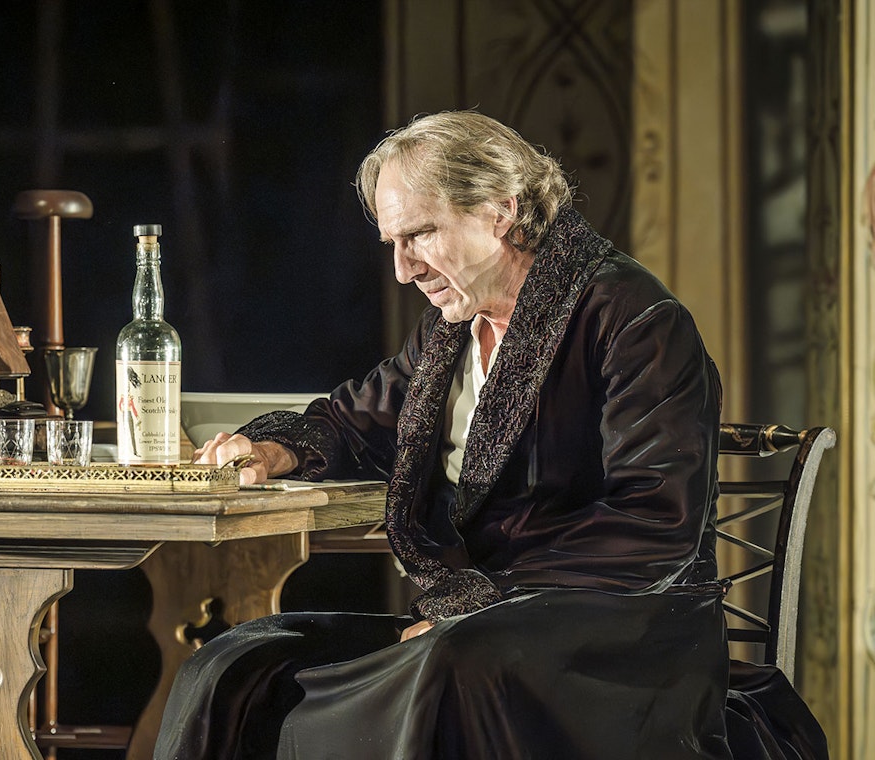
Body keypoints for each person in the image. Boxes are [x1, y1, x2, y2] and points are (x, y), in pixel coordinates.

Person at [154, 111, 827, 759]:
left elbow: (656, 521)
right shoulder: (452, 330)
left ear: (500, 211)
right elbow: (360, 417)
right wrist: (275, 448)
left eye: (418, 234)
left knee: (452, 667)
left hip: (625, 640)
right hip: (481, 629)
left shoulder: (635, 320)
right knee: (233, 664)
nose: (402, 268)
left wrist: (483, 606)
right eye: (392, 243)